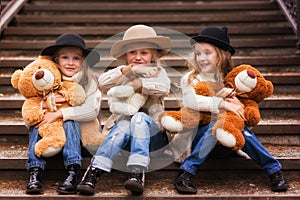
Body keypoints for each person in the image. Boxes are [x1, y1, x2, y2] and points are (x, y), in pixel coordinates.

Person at [173, 26, 289, 194]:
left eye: (207, 52)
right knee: (216, 123)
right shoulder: (190, 79)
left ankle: (274, 171)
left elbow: (245, 113)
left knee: (236, 126)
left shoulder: (234, 80)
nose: (202, 58)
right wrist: (223, 103)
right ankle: (186, 174)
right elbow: (191, 101)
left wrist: (238, 106)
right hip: (198, 140)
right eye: (198, 54)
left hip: (227, 142)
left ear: (221, 55)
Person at [76, 24, 171, 195]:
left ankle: (137, 171)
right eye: (132, 52)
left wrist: (138, 83)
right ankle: (94, 172)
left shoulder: (159, 72)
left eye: (144, 53)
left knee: (139, 118)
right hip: (123, 138)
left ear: (153, 55)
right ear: (125, 55)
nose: (138, 57)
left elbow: (163, 88)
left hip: (154, 139)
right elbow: (103, 82)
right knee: (123, 125)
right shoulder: (121, 73)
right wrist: (128, 71)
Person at [25, 33, 101, 195]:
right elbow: (29, 115)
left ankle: (73, 171)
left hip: (80, 137)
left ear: (83, 61)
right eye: (65, 57)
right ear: (56, 60)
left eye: (76, 58)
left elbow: (90, 112)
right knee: (36, 123)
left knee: (69, 121)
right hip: (50, 136)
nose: (70, 63)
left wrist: (59, 113)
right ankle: (35, 171)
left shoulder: (88, 81)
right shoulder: (47, 80)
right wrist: (43, 105)